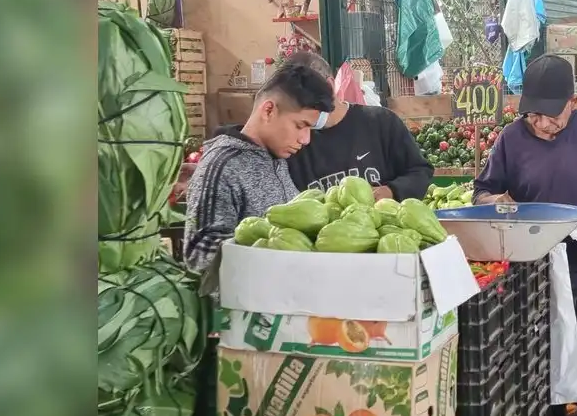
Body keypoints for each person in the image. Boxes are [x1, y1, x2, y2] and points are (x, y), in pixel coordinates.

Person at [472, 54, 577, 416]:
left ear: (573, 103)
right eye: (534, 115)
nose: (542, 123)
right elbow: (482, 191)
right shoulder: (511, 138)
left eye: (551, 115)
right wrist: (499, 204)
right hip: (536, 277)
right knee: (543, 370)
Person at [183, 63, 335, 273]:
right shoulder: (223, 167)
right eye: (300, 126)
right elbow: (199, 257)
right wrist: (270, 259)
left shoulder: (275, 158)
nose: (306, 139)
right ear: (269, 110)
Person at [282, 52, 434, 201]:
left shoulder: (381, 122)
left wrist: (392, 191)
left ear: (329, 86)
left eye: (304, 100)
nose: (301, 110)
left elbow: (420, 171)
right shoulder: (292, 145)